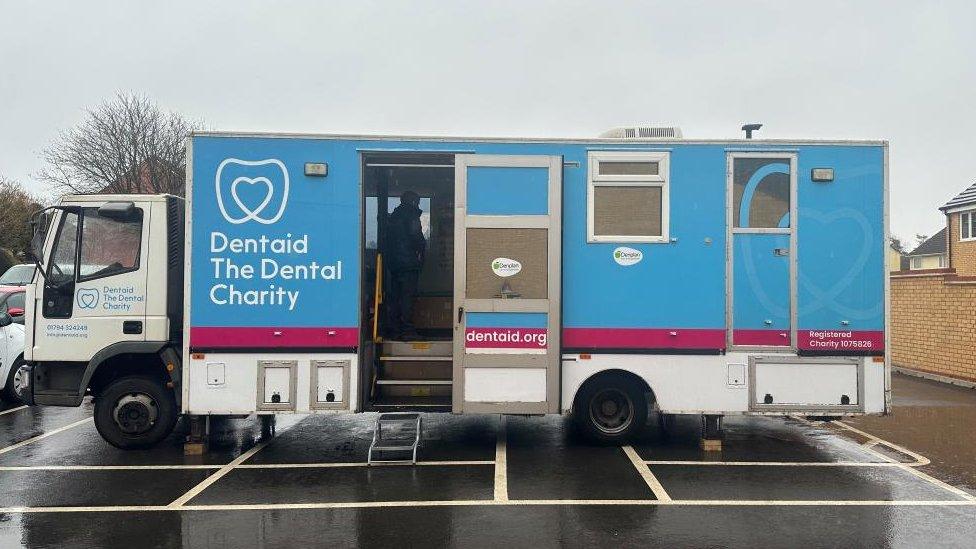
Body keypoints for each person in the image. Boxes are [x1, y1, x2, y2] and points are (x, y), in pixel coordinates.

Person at [386, 190, 426, 340]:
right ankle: (408, 331)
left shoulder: (394, 217)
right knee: (407, 297)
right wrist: (422, 250)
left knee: (396, 297)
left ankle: (395, 330)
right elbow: (416, 237)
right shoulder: (411, 215)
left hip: (394, 264)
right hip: (408, 263)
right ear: (413, 202)